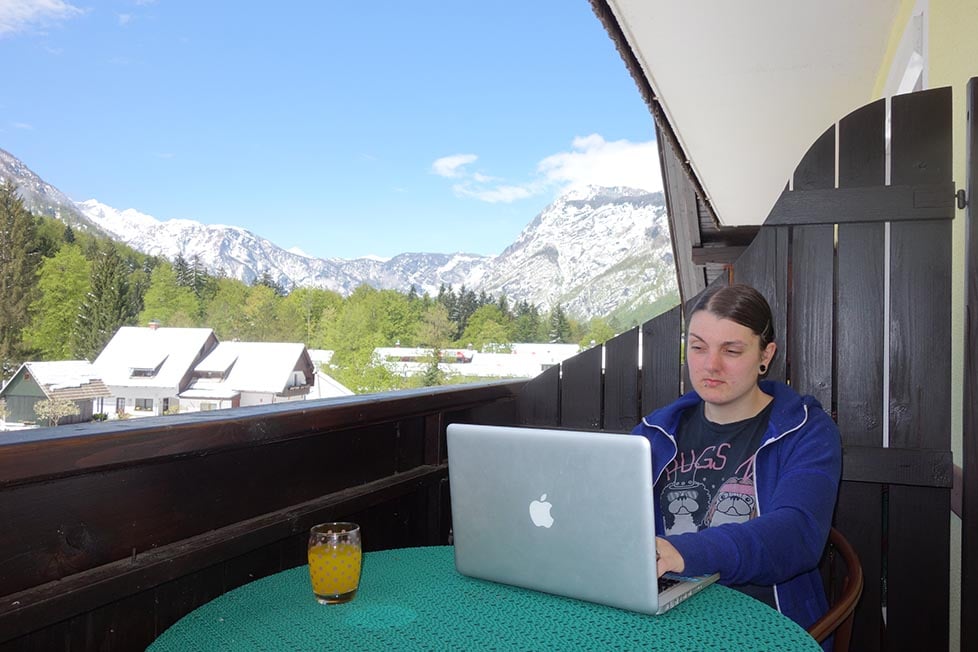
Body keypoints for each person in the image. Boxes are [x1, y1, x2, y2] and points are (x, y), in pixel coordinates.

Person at [631, 283, 842, 637]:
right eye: (698, 347)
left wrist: (682, 552)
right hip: (665, 613)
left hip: (764, 620)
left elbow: (797, 534)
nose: (710, 365)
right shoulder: (654, 432)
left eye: (731, 350)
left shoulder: (807, 430)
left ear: (765, 354)